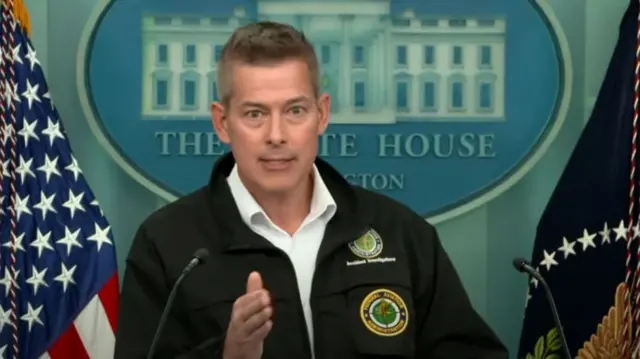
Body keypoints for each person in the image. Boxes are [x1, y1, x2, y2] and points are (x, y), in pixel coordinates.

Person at [114, 21, 509, 359]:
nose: (277, 135)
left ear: (322, 114)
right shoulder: (167, 246)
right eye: (255, 114)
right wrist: (228, 354)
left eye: (295, 111)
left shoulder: (399, 232)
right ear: (222, 122)